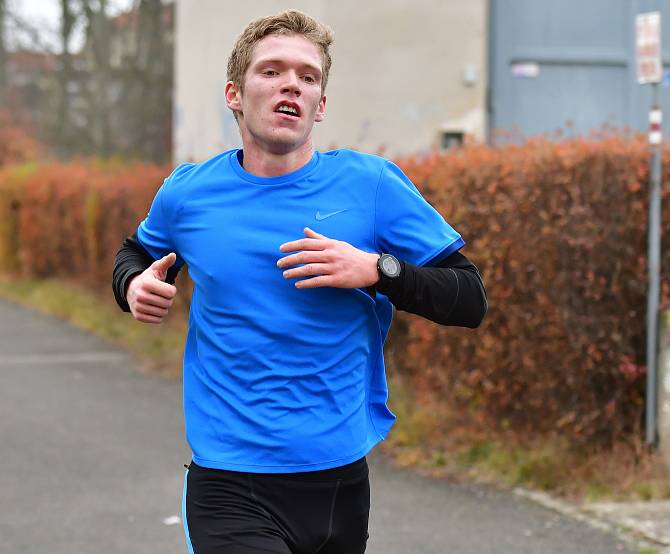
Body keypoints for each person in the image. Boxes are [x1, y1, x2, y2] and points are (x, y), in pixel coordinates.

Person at [112, 9, 487, 554]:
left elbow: (470, 298)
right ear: (234, 94)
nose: (291, 83)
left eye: (308, 77)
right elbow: (134, 253)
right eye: (272, 71)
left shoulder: (372, 185)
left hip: (339, 478)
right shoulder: (188, 193)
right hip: (229, 479)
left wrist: (377, 270)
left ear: (321, 105)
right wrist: (132, 286)